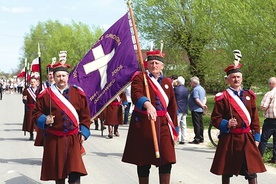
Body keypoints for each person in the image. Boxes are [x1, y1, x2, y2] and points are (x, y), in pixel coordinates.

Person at [32, 51, 91, 184]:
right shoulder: (45, 95)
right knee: (59, 177)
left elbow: (86, 116)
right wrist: (45, 119)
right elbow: (36, 114)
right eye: (58, 76)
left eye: (64, 75)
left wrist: (84, 132)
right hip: (54, 139)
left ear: (68, 76)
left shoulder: (78, 93)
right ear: (53, 76)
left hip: (73, 139)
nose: (61, 79)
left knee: (75, 175)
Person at [122, 50, 178, 184]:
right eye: (151, 63)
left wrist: (175, 129)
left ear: (162, 66)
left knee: (166, 159)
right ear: (147, 64)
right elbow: (136, 94)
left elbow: (172, 107)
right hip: (144, 124)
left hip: (163, 125)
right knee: (143, 161)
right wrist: (147, 104)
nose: (154, 65)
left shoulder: (167, 82)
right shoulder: (140, 78)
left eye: (157, 63)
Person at [210, 50, 266, 184]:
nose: (236, 79)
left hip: (247, 138)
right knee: (226, 170)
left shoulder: (249, 96)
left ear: (242, 79)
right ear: (228, 80)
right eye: (233, 77)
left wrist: (257, 137)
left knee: (252, 171)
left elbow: (255, 119)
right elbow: (215, 118)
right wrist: (226, 124)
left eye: (238, 77)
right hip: (229, 138)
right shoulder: (222, 97)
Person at [34, 59, 56, 147]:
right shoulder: (42, 86)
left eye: (52, 74)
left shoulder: (58, 86)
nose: (51, 76)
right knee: (45, 138)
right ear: (47, 75)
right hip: (45, 113)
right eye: (49, 74)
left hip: (55, 112)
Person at [259, 76, 276, 164]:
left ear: (270, 84)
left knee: (264, 139)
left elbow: (263, 106)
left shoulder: (269, 94)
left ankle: (259, 157)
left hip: (271, 120)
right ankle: (275, 158)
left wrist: (262, 108)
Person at [188, 76, 207, 144]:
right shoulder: (202, 88)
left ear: (194, 83)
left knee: (197, 124)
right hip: (199, 109)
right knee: (200, 124)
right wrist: (203, 105)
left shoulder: (195, 89)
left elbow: (196, 99)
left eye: (191, 82)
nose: (190, 84)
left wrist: (201, 105)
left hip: (196, 109)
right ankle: (201, 137)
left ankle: (197, 139)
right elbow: (204, 97)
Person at [22, 76, 40, 140]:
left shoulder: (39, 90)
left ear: (37, 83)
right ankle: (31, 134)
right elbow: (24, 99)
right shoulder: (27, 90)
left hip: (38, 108)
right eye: (31, 82)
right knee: (30, 121)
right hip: (30, 108)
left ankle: (38, 135)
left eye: (34, 82)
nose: (32, 83)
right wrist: (24, 100)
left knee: (38, 121)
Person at [174, 76, 189, 144]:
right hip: (184, 108)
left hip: (178, 108)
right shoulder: (186, 89)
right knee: (183, 124)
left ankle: (176, 138)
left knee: (177, 124)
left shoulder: (176, 89)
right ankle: (184, 139)